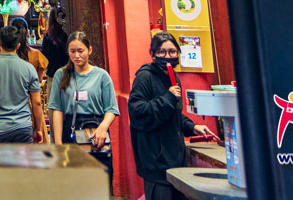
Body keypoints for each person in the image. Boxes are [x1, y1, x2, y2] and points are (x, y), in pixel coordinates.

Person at [128, 32, 218, 200]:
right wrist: (167, 98)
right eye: (162, 52)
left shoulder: (173, 78)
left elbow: (173, 114)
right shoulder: (145, 77)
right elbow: (137, 113)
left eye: (172, 52)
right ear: (153, 54)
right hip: (156, 163)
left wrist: (192, 127)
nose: (167, 56)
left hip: (176, 162)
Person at [48, 32, 119, 177]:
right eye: (72, 51)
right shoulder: (60, 75)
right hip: (71, 129)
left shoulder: (102, 76)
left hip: (96, 130)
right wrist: (58, 143)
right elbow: (57, 109)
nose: (77, 56)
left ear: (90, 50)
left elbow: (111, 109)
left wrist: (103, 128)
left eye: (81, 51)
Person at [0, 24, 45, 142]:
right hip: (22, 126)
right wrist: (38, 129)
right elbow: (37, 102)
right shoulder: (28, 68)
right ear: (18, 45)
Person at [10, 16, 50, 141]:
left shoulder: (10, 56)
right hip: (32, 103)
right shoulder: (36, 55)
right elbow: (38, 81)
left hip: (13, 103)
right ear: (27, 32)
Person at [40, 8, 68, 79]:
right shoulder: (67, 34)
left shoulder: (48, 36)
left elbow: (44, 54)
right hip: (68, 73)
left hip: (53, 73)